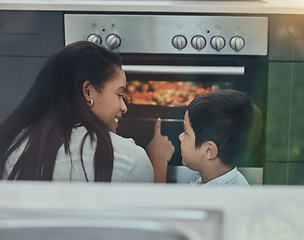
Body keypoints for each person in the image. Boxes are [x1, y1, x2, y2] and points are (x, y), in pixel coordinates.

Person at [0, 41, 174, 183]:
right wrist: (157, 163)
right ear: (88, 91)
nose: (124, 107)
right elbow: (149, 221)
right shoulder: (129, 159)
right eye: (119, 94)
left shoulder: (12, 145)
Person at [179, 89, 263, 188]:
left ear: (209, 150)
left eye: (186, 132)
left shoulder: (213, 200)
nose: (180, 137)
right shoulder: (210, 179)